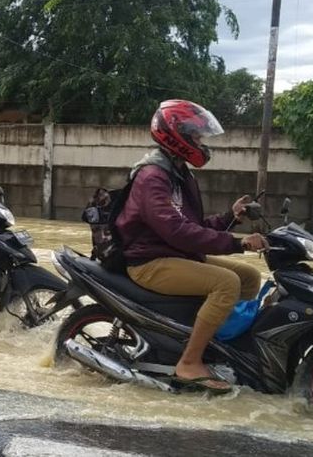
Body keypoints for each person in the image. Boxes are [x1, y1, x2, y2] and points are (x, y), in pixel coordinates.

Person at [115, 100, 268, 394]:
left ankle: (220, 345)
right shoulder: (153, 177)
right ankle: (189, 362)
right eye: (196, 136)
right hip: (150, 261)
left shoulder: (179, 173)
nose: (201, 142)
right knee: (226, 283)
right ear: (176, 136)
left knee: (249, 277)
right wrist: (237, 244)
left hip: (174, 254)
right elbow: (177, 231)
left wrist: (229, 218)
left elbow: (191, 225)